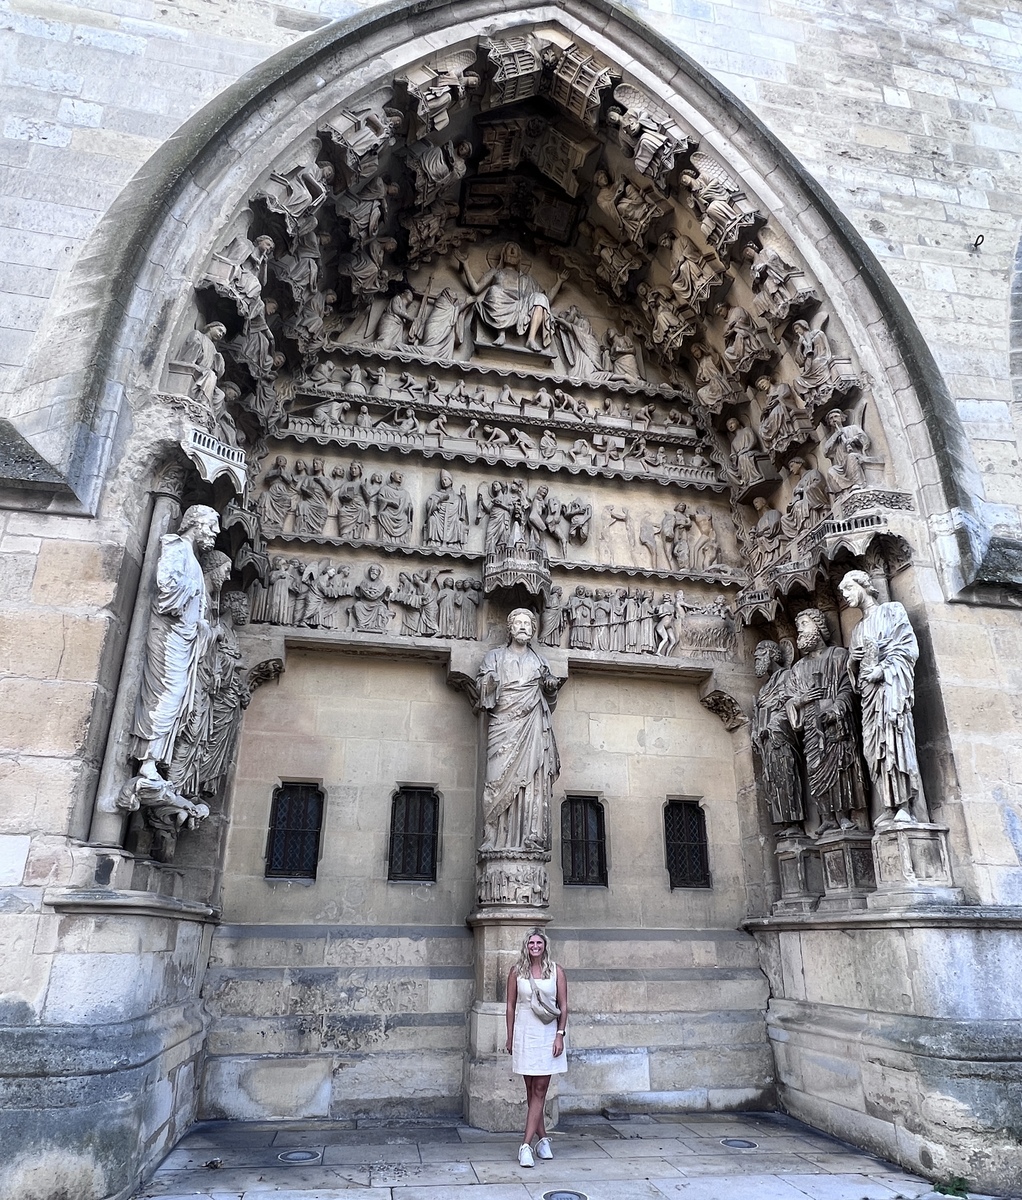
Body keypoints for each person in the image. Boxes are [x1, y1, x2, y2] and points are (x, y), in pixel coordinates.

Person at [505, 927, 568, 1168]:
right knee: (531, 1091)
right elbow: (510, 1006)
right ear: (526, 946)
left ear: (545, 946)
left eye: (538, 943)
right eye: (531, 943)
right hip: (525, 1033)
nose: (535, 946)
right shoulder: (516, 972)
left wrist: (560, 1035)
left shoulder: (556, 971)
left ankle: (525, 1145)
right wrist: (510, 1037)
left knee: (540, 1089)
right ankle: (542, 1140)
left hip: (548, 1035)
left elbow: (563, 1006)